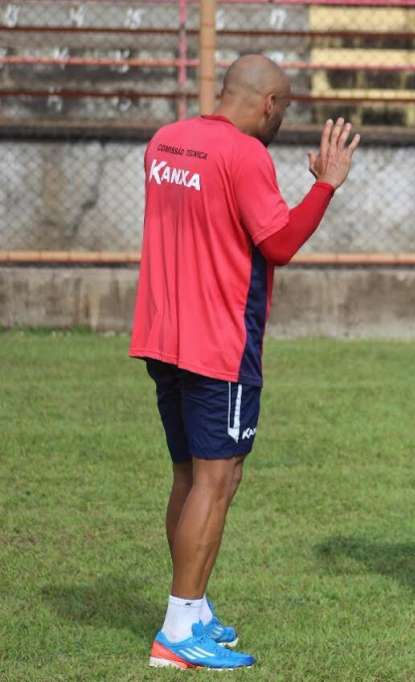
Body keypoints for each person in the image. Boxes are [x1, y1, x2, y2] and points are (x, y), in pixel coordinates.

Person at [130, 54, 360, 670]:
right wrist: (326, 184)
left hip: (162, 335)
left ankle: (194, 607)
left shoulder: (167, 141)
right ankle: (178, 630)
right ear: (268, 104)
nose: (283, 119)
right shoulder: (245, 154)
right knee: (217, 479)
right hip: (219, 345)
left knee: (193, 474)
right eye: (284, 108)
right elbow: (278, 242)